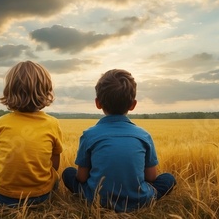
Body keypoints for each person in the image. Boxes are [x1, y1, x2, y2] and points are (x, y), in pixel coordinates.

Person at [62, 69, 176, 212]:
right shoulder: (144, 135)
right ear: (133, 105)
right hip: (139, 200)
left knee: (68, 173)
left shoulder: (89, 134)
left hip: (96, 199)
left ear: (98, 103)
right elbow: (151, 177)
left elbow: (82, 177)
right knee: (168, 179)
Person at [0, 60, 63, 206]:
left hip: (3, 196)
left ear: (10, 90)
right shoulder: (53, 123)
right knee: (55, 176)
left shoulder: (1, 122)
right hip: (40, 196)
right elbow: (55, 162)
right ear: (46, 90)